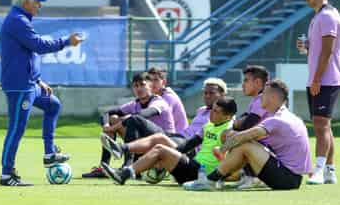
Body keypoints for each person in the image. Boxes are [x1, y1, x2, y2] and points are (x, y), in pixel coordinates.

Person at [0, 0, 84, 186]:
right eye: (37, 1)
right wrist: (66, 42)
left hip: (29, 83)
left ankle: (49, 153)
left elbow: (27, 53)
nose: (40, 6)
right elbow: (38, 45)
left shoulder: (21, 19)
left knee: (52, 104)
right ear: (26, 1)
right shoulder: (17, 21)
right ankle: (6, 174)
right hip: (20, 86)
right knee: (16, 129)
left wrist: (38, 80)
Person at [184, 79, 312, 191]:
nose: (260, 97)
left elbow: (246, 136)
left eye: (264, 93)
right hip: (292, 177)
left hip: (287, 179)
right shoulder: (288, 116)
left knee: (244, 144)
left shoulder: (277, 119)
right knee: (244, 143)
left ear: (272, 97)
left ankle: (211, 180)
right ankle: (220, 178)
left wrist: (222, 149)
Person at [102, 97, 237, 186]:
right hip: (194, 168)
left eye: (216, 112)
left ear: (228, 116)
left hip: (204, 175)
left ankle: (124, 172)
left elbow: (235, 160)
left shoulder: (229, 130)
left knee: (160, 147)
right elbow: (189, 145)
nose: (211, 113)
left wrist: (222, 178)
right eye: (212, 110)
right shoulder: (208, 125)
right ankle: (123, 157)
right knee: (160, 147)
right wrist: (170, 155)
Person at [100, 78, 228, 167]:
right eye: (205, 93)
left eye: (211, 93)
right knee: (133, 121)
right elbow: (108, 113)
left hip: (188, 147)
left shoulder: (224, 116)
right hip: (178, 137)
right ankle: (114, 163)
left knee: (136, 120)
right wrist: (108, 125)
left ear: (222, 95)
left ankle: (127, 160)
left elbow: (213, 139)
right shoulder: (201, 110)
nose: (207, 96)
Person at [82, 72, 175, 178]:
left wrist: (116, 126)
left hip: (165, 145)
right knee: (113, 119)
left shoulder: (159, 101)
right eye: (136, 86)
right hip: (146, 145)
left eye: (142, 84)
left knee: (133, 120)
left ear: (150, 86)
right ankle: (103, 167)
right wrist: (107, 126)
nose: (139, 88)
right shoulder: (135, 104)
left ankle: (128, 165)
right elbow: (107, 113)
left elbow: (142, 115)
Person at [297, 0, 340, 185]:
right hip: (317, 79)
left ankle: (318, 170)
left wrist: (317, 78)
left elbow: (328, 50)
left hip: (326, 80)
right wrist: (306, 47)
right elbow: (318, 49)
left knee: (320, 124)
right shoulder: (318, 17)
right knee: (324, 125)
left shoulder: (327, 16)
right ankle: (330, 171)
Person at [147, 67, 189, 133]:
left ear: (164, 82)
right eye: (150, 80)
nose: (152, 83)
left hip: (179, 137)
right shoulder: (156, 96)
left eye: (156, 80)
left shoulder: (168, 97)